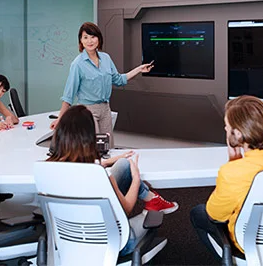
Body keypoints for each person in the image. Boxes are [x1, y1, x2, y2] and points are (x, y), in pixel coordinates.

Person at [189, 95, 263, 258]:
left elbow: (215, 215)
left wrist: (233, 163)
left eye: (227, 126)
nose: (225, 129)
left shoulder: (233, 172)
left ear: (238, 134)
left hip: (248, 243)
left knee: (199, 212)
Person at [47, 105, 178, 255]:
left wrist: (111, 160)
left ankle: (153, 200)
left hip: (67, 243)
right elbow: (127, 208)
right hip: (114, 245)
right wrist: (135, 178)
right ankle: (153, 202)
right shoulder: (101, 175)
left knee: (122, 164)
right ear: (89, 137)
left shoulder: (48, 169)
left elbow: (80, 165)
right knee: (147, 215)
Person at [50, 22, 154, 146]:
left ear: (99, 39)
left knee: (108, 146)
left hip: (105, 109)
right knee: (94, 147)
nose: (90, 41)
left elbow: (118, 80)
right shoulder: (77, 64)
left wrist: (139, 70)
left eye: (93, 37)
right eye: (85, 37)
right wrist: (60, 118)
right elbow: (68, 94)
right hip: (88, 111)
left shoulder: (106, 58)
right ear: (81, 41)